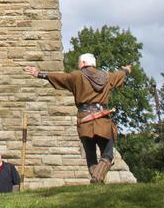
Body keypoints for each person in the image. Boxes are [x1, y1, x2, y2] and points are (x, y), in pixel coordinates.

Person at [27, 53, 132, 182]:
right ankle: (98, 179)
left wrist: (39, 74)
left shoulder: (77, 76)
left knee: (91, 155)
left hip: (85, 121)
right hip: (102, 121)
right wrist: (126, 69)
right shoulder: (107, 76)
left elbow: (61, 77)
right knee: (108, 154)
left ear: (82, 63)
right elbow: (119, 74)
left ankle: (96, 179)